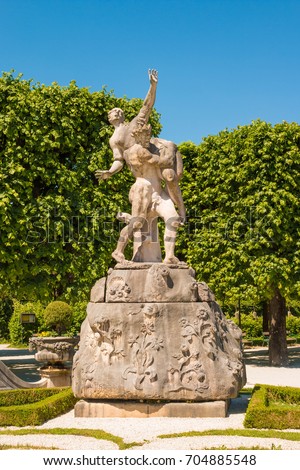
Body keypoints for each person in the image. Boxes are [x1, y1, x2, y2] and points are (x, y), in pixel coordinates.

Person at [95, 70, 185, 221]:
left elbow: (147, 105)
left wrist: (153, 85)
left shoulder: (134, 124)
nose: (113, 113)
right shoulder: (113, 140)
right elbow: (118, 161)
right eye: (111, 113)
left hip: (153, 153)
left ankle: (181, 208)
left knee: (170, 177)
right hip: (138, 166)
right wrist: (110, 172)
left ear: (121, 115)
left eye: (116, 111)